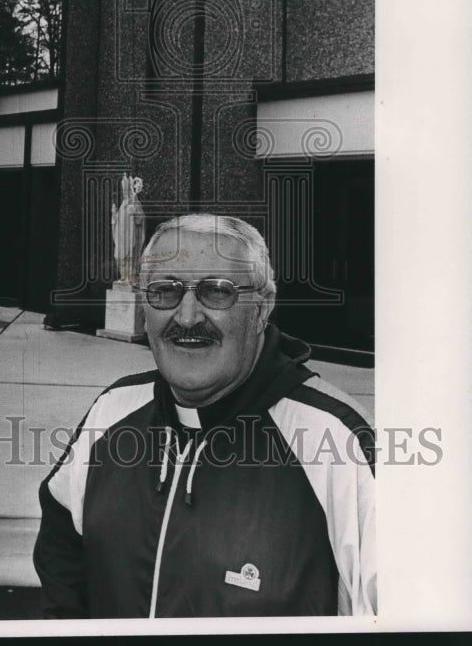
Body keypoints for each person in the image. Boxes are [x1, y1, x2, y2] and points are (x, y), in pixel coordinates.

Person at [33, 214, 376, 618]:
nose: (188, 317)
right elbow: (62, 543)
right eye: (165, 291)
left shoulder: (336, 439)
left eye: (217, 291)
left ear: (262, 307)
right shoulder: (115, 410)